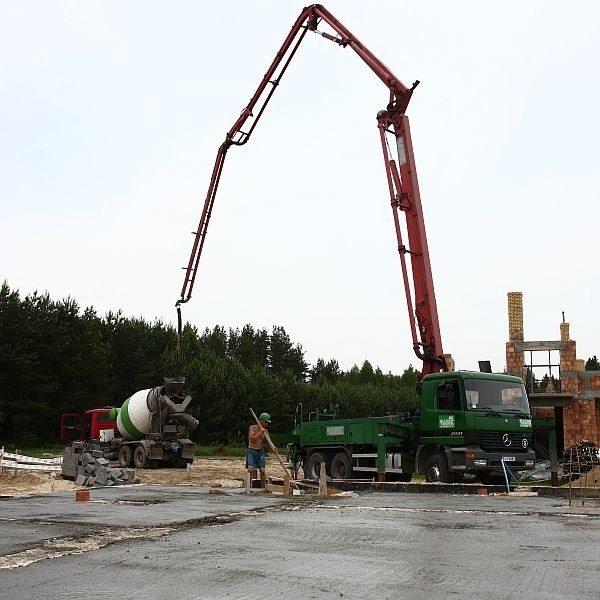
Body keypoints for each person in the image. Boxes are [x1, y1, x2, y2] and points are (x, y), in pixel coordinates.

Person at [246, 412, 271, 488]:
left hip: (260, 452)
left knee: (263, 471)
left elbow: (269, 442)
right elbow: (252, 438)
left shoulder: (265, 431)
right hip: (251, 450)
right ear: (261, 421)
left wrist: (273, 448)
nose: (267, 424)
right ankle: (248, 487)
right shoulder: (252, 428)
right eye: (266, 422)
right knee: (250, 469)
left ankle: (263, 487)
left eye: (267, 422)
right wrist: (260, 432)